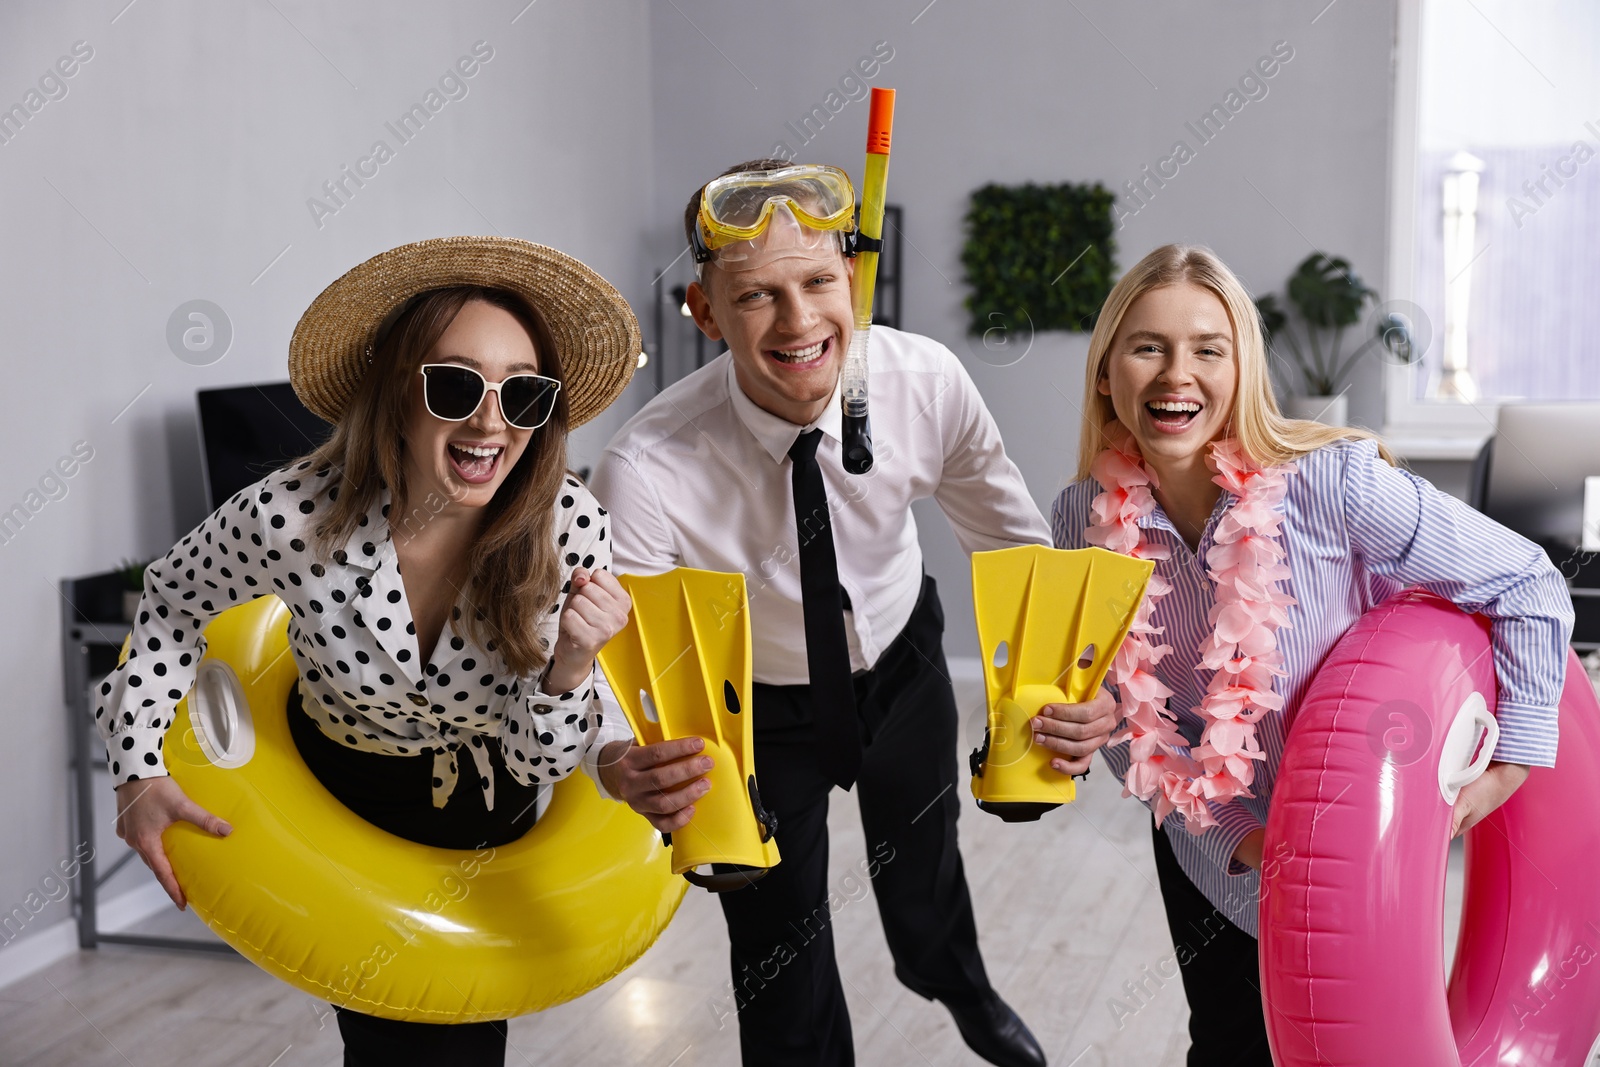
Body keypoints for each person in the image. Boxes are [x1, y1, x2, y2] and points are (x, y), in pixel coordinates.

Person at [588, 159, 1117, 1067]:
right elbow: (615, 649)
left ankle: (960, 985)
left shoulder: (927, 382)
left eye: (818, 282)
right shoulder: (645, 466)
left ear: (853, 280)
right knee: (778, 958)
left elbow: (1013, 546)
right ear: (705, 312)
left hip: (904, 664)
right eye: (755, 296)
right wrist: (614, 758)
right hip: (754, 705)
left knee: (925, 882)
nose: (797, 322)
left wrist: (1076, 691)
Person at [96, 236, 641, 1066]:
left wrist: (570, 662)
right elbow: (171, 601)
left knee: (453, 1034)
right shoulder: (288, 519)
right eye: (456, 384)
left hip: (483, 794)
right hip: (346, 781)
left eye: (522, 394)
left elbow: (538, 761)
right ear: (397, 391)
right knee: (396, 1035)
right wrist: (138, 765)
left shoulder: (568, 529)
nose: (490, 420)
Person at [1050, 243, 1574, 1065]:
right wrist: (1237, 834)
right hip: (1207, 848)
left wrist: (1513, 762)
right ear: (1106, 374)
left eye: (1206, 349)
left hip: (1358, 852)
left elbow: (1527, 580)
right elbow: (1129, 723)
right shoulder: (1083, 517)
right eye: (1147, 346)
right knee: (1224, 1045)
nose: (1174, 374)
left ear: (1241, 369)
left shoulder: (1330, 485)